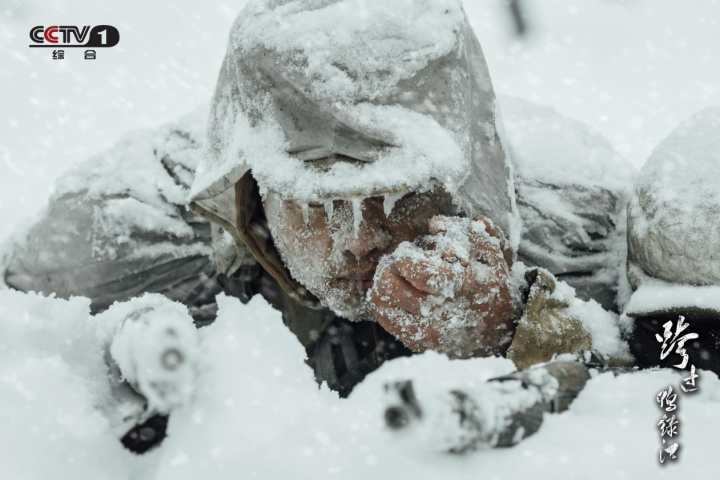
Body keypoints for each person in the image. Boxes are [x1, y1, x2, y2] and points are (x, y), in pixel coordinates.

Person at [3, 0, 630, 451]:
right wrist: (122, 351)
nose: (357, 238)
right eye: (315, 202)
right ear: (250, 186)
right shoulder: (129, 230)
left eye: (395, 195)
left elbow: (677, 402)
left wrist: (516, 325)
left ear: (464, 174)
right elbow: (21, 341)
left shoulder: (575, 222)